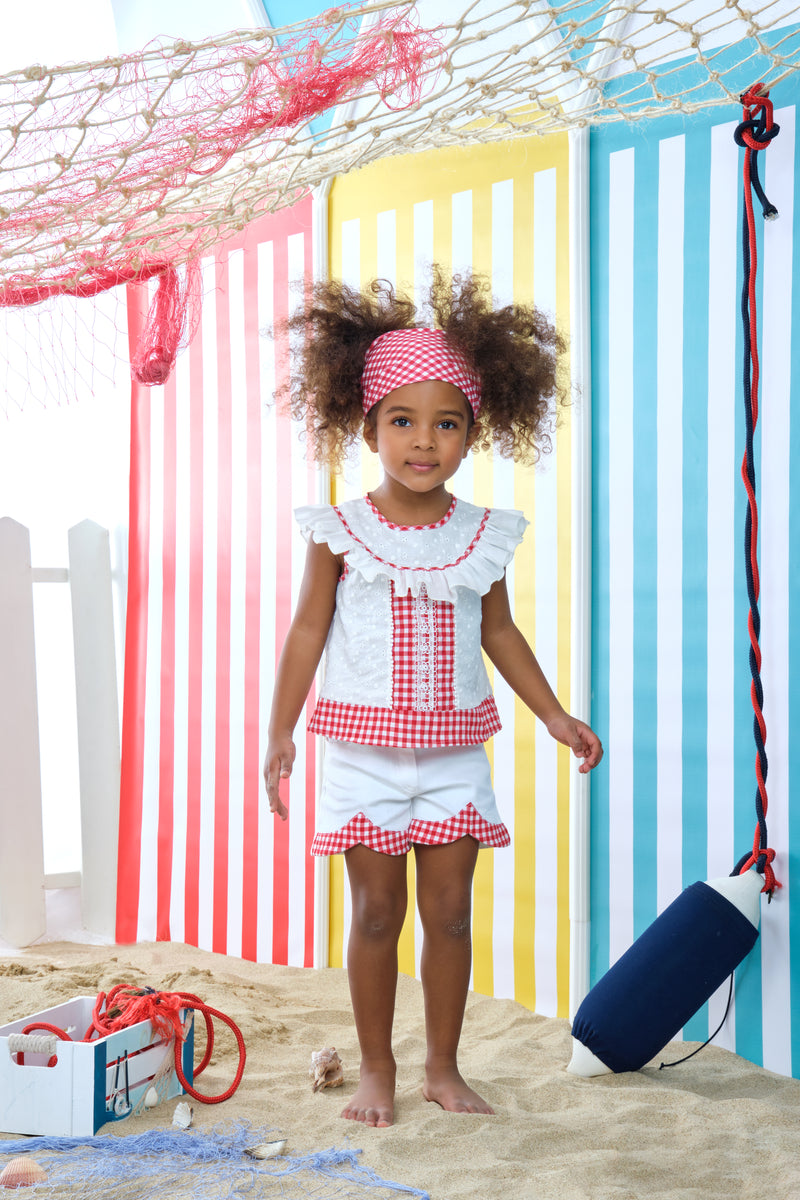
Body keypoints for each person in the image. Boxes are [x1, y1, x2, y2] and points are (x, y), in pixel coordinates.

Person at [263, 270, 603, 1129]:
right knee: (379, 910)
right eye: (403, 421)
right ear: (367, 424)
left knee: (450, 916)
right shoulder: (338, 530)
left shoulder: (482, 532)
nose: (425, 441)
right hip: (362, 754)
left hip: (453, 753)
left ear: (473, 432)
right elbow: (308, 632)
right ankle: (376, 1068)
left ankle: (441, 1067)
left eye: (446, 423)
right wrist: (280, 733)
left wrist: (555, 716)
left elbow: (500, 633)